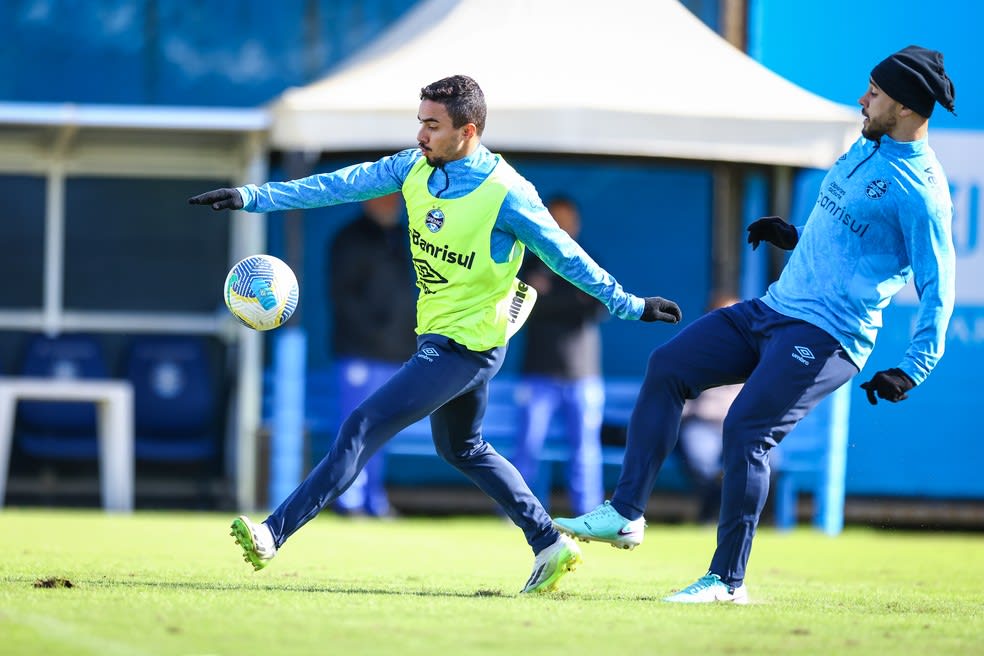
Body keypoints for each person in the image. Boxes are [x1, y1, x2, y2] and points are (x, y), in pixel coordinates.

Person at [189, 74, 682, 594]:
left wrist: (629, 304)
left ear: (466, 131)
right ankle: (548, 541)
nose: (420, 134)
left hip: (464, 347)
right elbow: (335, 185)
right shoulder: (412, 168)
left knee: (360, 425)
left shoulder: (508, 194)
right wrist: (251, 196)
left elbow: (565, 256)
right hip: (445, 341)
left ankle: (273, 532)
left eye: (432, 125)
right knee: (463, 449)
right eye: (419, 121)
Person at [553, 45, 956, 604]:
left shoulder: (924, 193)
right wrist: (792, 234)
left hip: (828, 335)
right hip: (774, 309)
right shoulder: (865, 145)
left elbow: (939, 286)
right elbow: (850, 229)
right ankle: (625, 513)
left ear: (908, 108)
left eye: (876, 93)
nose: (863, 99)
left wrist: (914, 367)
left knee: (745, 431)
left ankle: (726, 581)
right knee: (667, 366)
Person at [513, 196, 607, 515]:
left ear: (576, 223)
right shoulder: (529, 260)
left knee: (585, 452)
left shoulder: (588, 260)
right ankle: (521, 512)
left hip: (582, 374)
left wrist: (554, 295)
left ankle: (589, 514)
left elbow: (597, 306)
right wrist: (572, 297)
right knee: (527, 447)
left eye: (568, 218)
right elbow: (526, 308)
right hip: (538, 372)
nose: (562, 225)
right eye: (556, 218)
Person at [328, 193, 417, 518]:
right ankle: (348, 500)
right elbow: (343, 298)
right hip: (359, 353)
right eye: (384, 199)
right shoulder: (350, 238)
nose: (391, 205)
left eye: (396, 200)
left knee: (381, 430)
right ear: (368, 200)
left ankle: (372, 499)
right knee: (354, 427)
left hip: (396, 356)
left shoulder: (402, 235)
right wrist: (377, 333)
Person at [676, 293, 742, 525]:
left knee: (767, 462)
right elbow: (677, 395)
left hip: (741, 426)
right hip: (702, 424)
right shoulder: (692, 349)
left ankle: (736, 518)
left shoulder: (757, 351)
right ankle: (713, 513)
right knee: (703, 462)